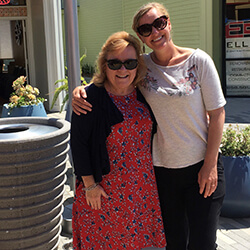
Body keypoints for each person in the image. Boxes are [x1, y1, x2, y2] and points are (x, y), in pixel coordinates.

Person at [72, 3, 226, 250]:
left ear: (168, 22)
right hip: (162, 172)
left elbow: (218, 114)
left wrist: (210, 166)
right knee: (174, 243)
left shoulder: (198, 61)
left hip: (200, 166)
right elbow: (111, 73)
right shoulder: (140, 66)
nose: (155, 31)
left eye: (159, 23)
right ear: (141, 36)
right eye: (145, 29)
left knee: (203, 243)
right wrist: (80, 92)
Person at [70, 31, 166, 250]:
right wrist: (90, 185)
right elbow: (79, 145)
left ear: (137, 66)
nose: (123, 70)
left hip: (140, 190)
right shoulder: (89, 98)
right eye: (115, 63)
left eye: (130, 63)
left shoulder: (143, 93)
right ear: (105, 66)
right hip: (103, 192)